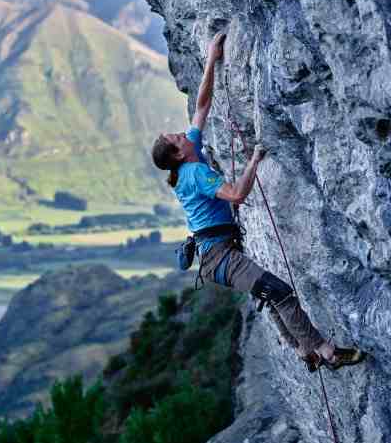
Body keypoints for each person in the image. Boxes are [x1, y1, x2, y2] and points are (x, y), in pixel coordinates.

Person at [152, 31, 365, 372]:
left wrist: (211, 58)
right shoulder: (195, 175)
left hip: (218, 253)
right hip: (219, 257)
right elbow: (236, 194)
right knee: (279, 292)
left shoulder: (188, 157)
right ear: (178, 153)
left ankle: (301, 351)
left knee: (267, 292)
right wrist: (253, 161)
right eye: (177, 138)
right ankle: (326, 352)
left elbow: (202, 105)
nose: (182, 133)